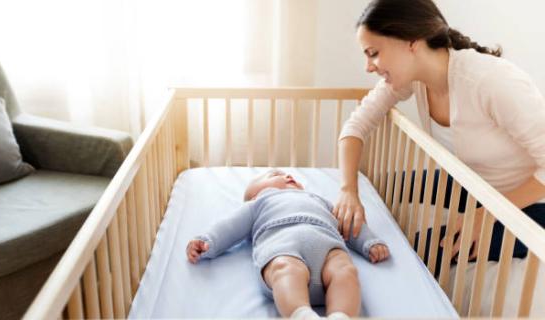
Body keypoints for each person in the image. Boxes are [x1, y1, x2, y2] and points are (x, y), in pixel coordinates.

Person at [334, 0, 545, 270]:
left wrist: (487, 215)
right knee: (380, 187)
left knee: (417, 249)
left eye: (373, 53)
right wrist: (348, 190)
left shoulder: (489, 81)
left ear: (411, 41)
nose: (369, 66)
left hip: (527, 201)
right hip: (474, 184)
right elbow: (356, 125)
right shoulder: (415, 77)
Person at [186, 169, 390, 319]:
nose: (286, 175)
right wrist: (207, 241)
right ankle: (300, 314)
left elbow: (347, 222)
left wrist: (369, 242)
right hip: (283, 246)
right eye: (274, 175)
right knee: (285, 268)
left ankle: (341, 315)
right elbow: (230, 226)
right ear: (256, 193)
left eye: (285, 174)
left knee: (345, 271)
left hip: (328, 245)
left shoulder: (319, 200)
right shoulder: (259, 204)